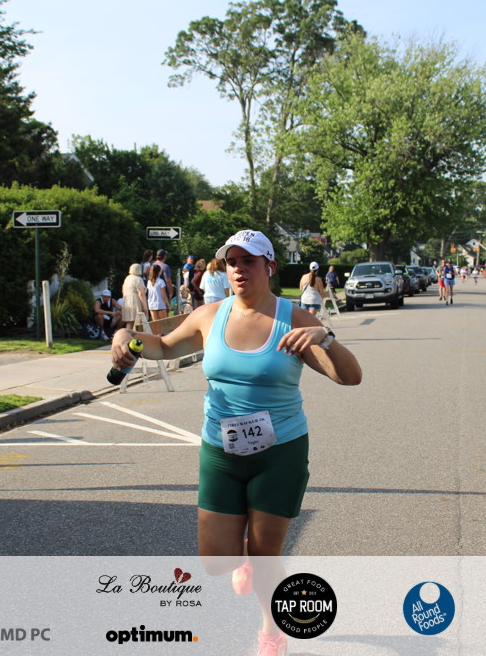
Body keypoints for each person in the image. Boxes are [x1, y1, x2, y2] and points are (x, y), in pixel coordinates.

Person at [109, 230, 361, 655]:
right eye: (232, 262)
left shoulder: (295, 319)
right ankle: (243, 557)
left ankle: (271, 630)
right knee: (215, 561)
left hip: (279, 452)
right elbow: (163, 346)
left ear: (270, 267)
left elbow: (349, 377)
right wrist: (125, 338)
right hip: (221, 451)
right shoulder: (209, 315)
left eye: (249, 261)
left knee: (266, 555)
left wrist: (326, 338)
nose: (239, 269)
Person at [120, 264, 148, 331]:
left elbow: (123, 290)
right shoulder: (138, 279)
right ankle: (139, 336)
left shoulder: (127, 278)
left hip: (127, 301)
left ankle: (128, 336)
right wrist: (144, 306)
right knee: (139, 321)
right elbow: (141, 293)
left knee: (130, 322)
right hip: (136, 301)